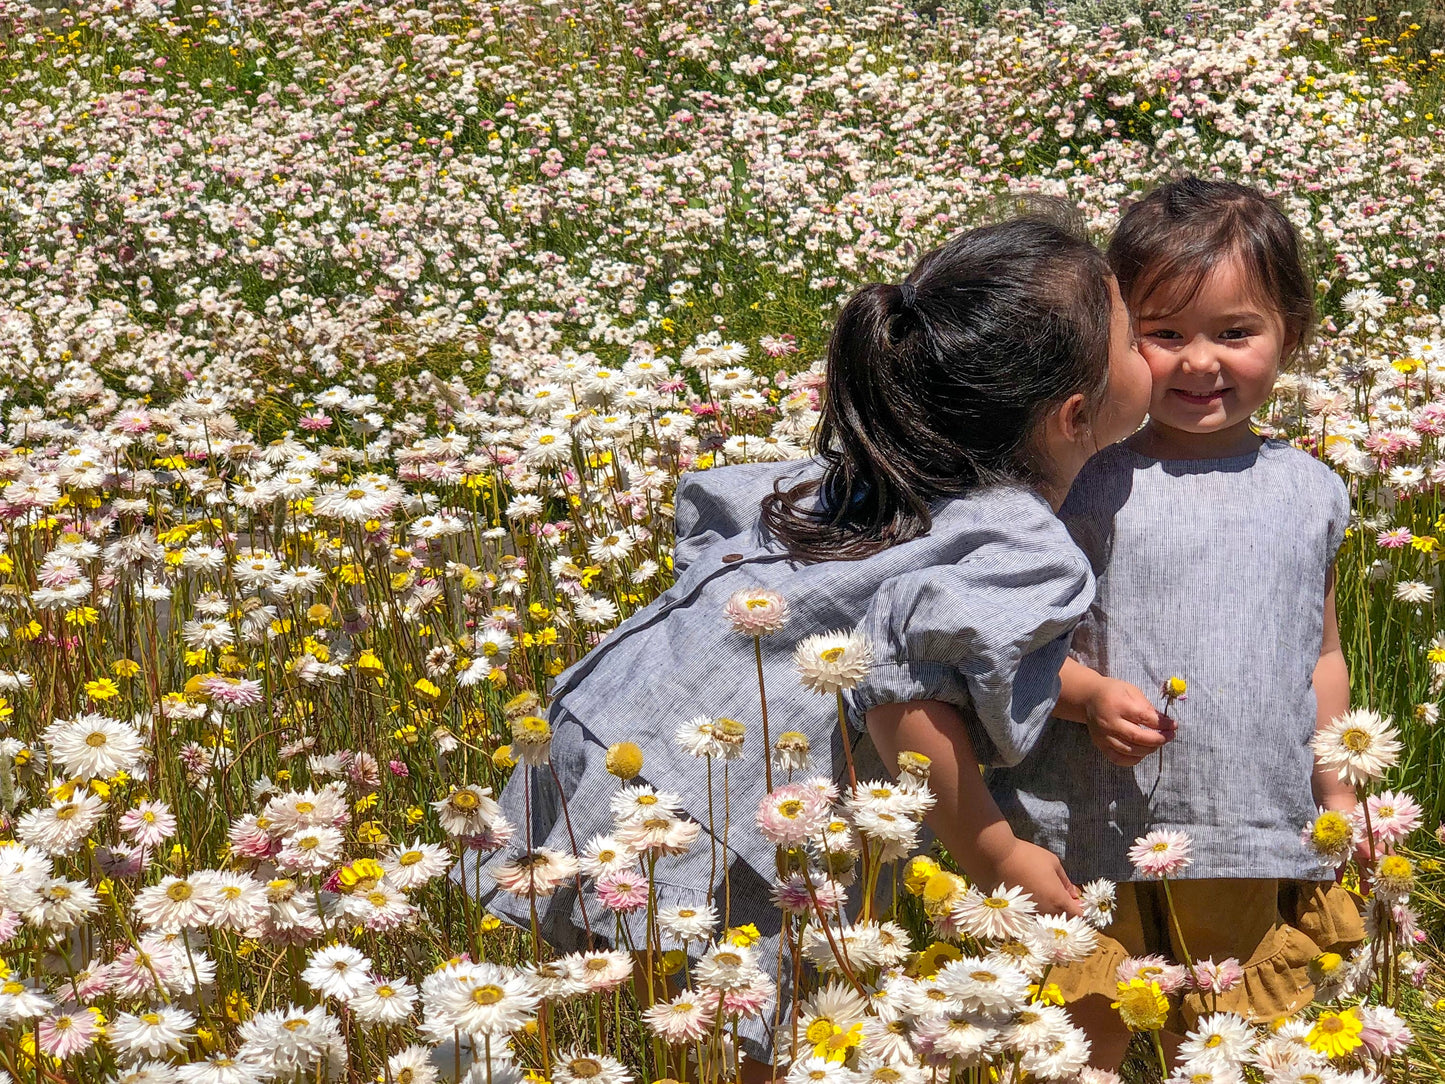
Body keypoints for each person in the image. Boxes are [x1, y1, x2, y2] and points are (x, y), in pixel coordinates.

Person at [471, 213, 1152, 1067]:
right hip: (716, 799)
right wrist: (996, 851)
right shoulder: (1020, 543)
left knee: (694, 1037)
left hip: (616, 727)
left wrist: (1078, 694)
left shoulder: (878, 471)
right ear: (1076, 414)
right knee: (762, 1029)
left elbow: (914, 626)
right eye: (1136, 341)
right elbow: (905, 699)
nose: (1153, 358)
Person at [879, 177, 1365, 1069]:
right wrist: (1086, 697)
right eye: (1164, 334)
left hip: (1244, 824)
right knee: (1083, 1030)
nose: (1199, 363)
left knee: (1227, 1034)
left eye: (1234, 333)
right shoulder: (1083, 475)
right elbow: (1011, 642)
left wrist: (1337, 789)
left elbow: (1320, 652)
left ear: (1288, 333)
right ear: (1112, 342)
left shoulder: (1312, 491)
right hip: (1088, 817)